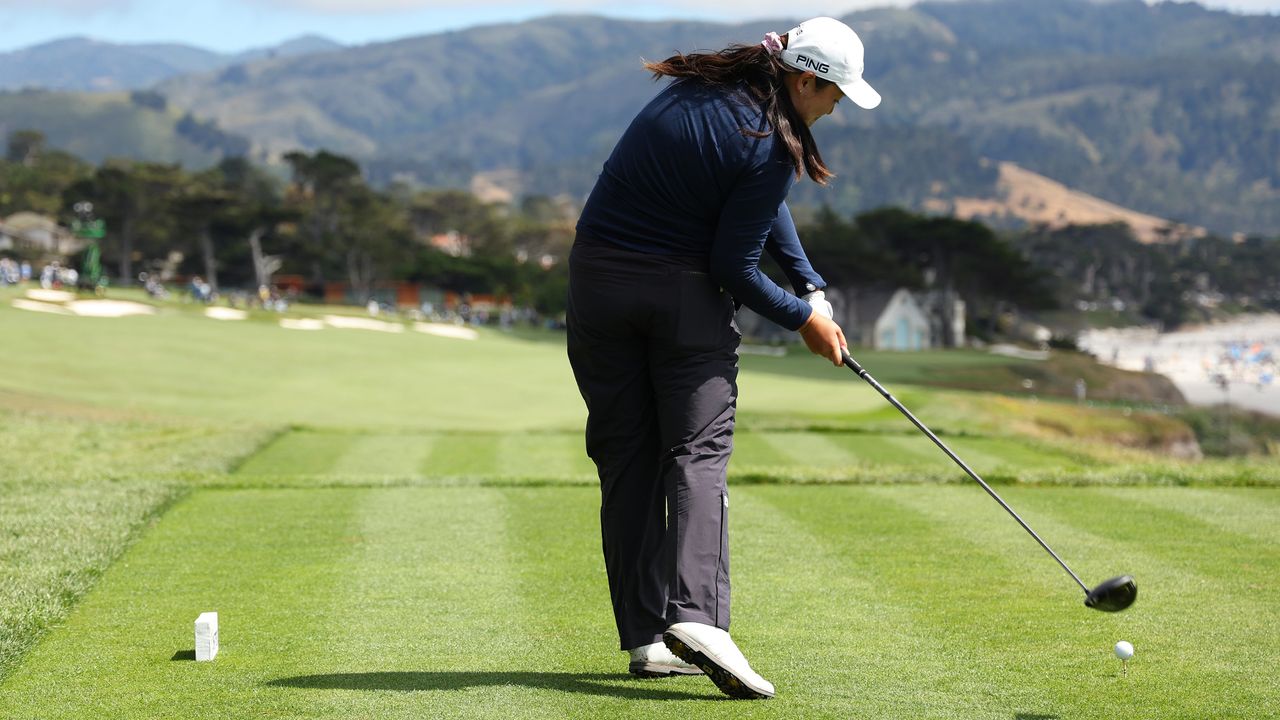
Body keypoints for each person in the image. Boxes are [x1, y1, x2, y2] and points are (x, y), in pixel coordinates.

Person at [566, 17, 879, 700]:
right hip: (679, 297)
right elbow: (732, 264)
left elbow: (759, 206)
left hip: (595, 286)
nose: (835, 110)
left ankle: (648, 638)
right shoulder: (768, 141)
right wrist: (805, 321)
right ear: (805, 80)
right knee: (697, 451)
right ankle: (701, 618)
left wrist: (808, 282)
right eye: (834, 97)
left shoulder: (700, 90)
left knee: (628, 457)